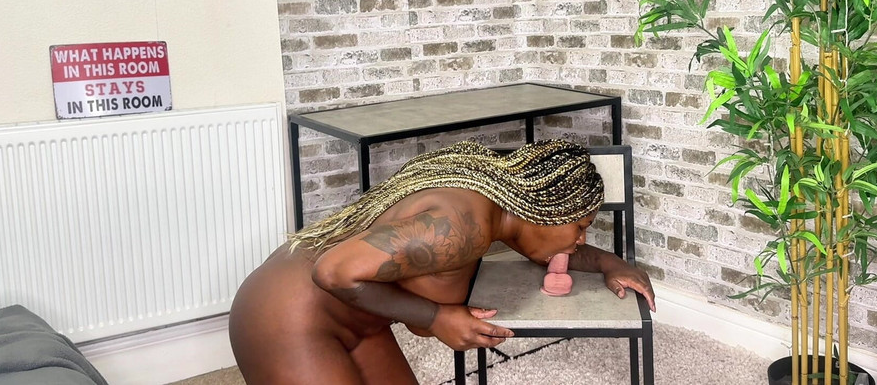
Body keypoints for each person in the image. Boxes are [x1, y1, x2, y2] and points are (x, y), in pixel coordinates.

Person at [229, 139, 656, 385]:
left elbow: (553, 250)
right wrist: (436, 317)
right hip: (287, 316)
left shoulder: (490, 198)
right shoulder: (461, 226)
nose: (580, 240)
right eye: (580, 226)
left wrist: (608, 263)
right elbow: (332, 272)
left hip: (358, 319)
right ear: (545, 211)